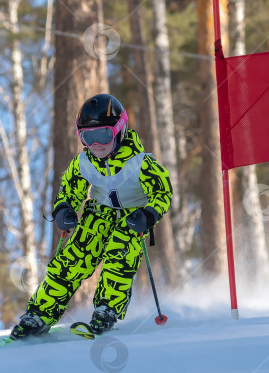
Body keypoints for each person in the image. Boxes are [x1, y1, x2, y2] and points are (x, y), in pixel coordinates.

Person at [10, 93, 173, 339]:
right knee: (71, 260)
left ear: (120, 130)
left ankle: (107, 308)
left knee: (120, 254)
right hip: (97, 214)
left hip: (131, 218)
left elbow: (162, 191)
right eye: (88, 137)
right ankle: (39, 315)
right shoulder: (83, 163)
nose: (96, 144)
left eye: (103, 135)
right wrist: (64, 208)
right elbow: (70, 188)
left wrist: (148, 214)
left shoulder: (141, 163)